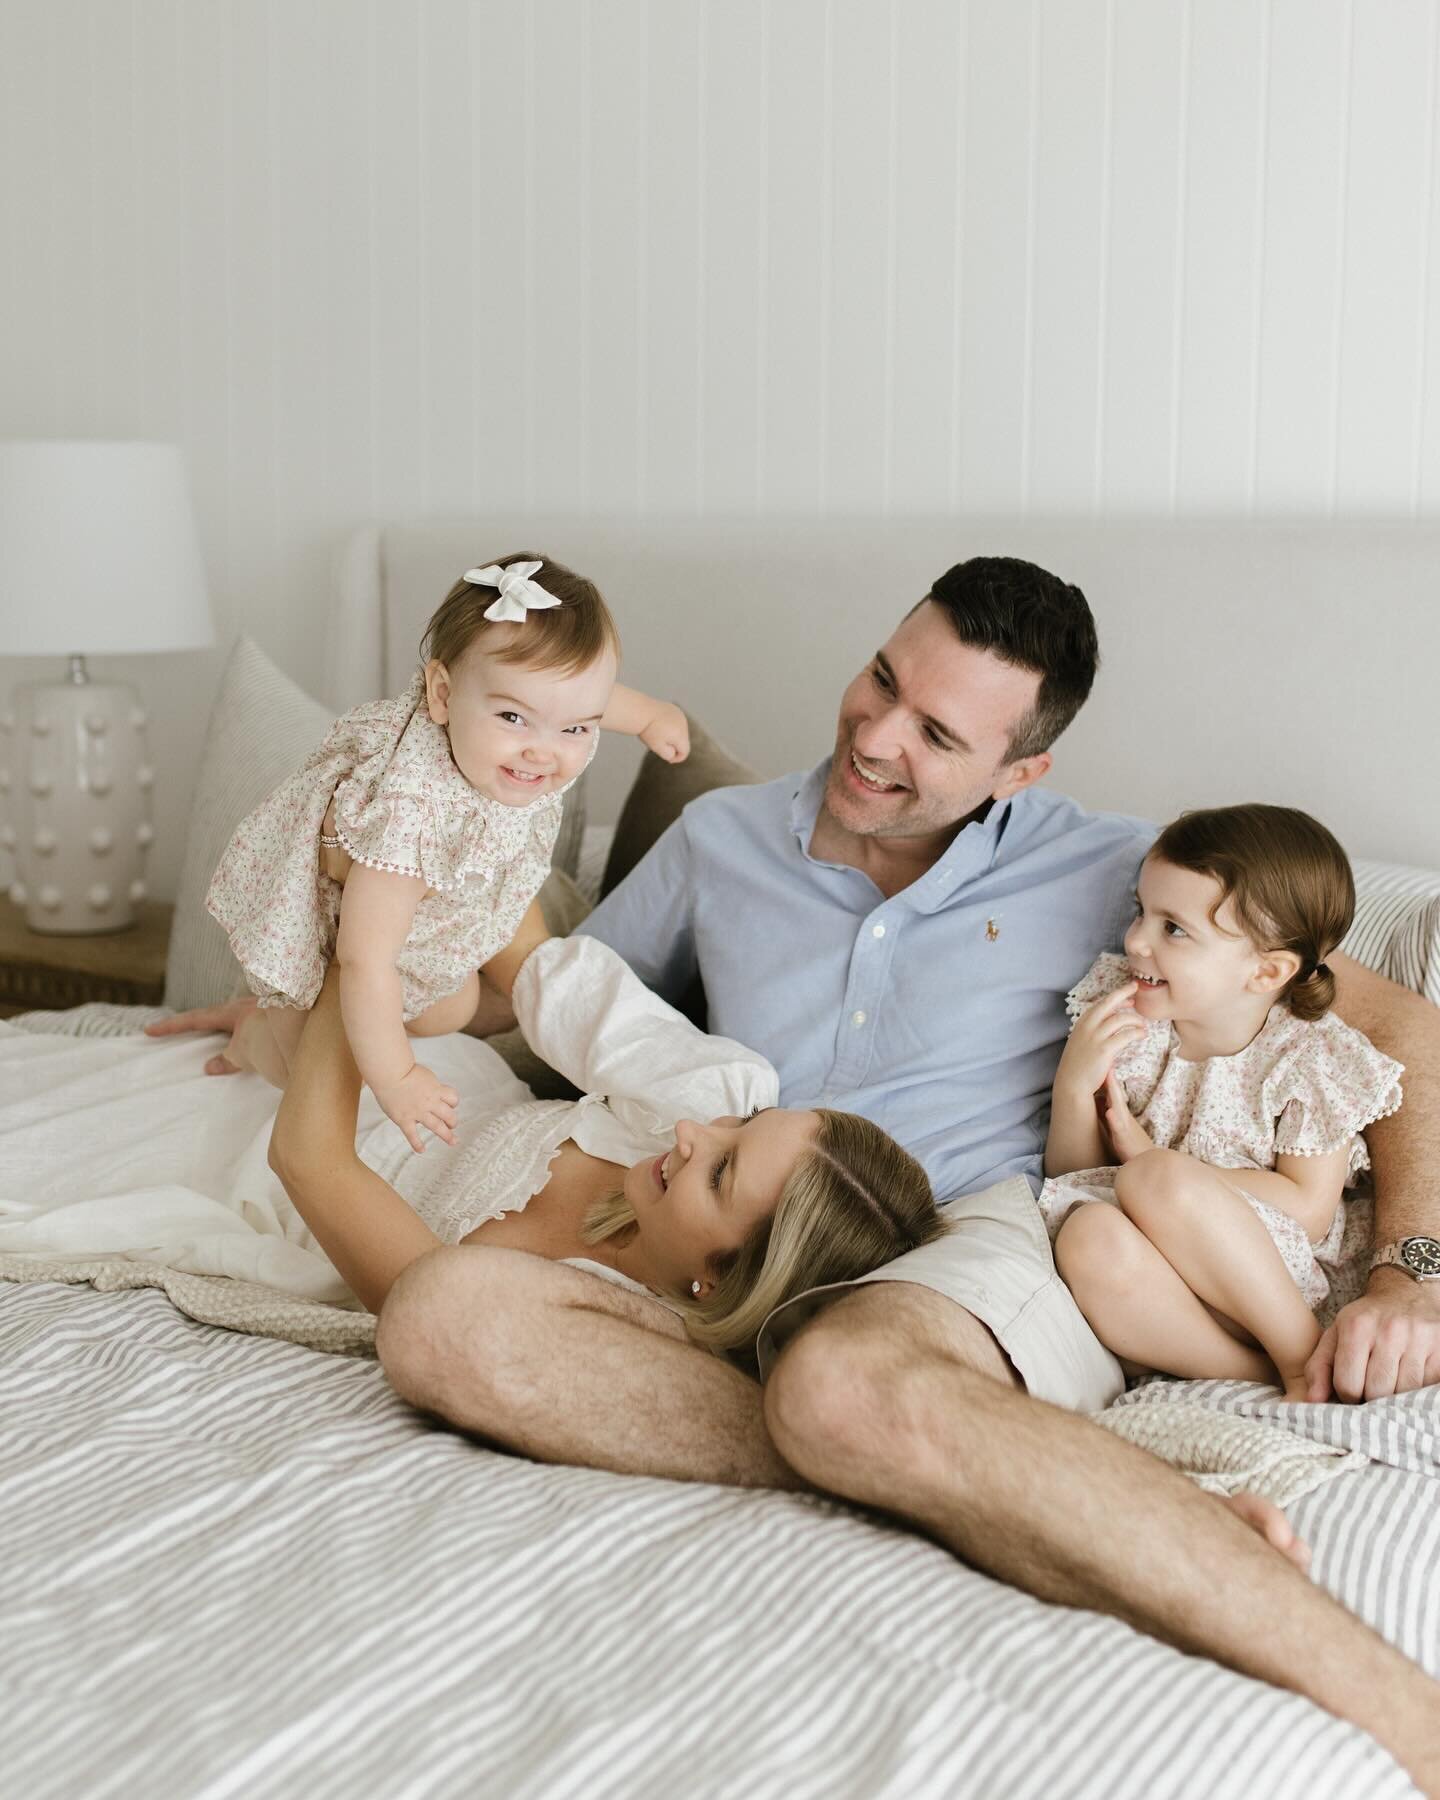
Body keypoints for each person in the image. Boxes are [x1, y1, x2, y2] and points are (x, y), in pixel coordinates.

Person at [372, 557, 1440, 1783]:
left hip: (974, 1239)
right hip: (756, 1232)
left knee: (842, 1381)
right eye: (882, 679)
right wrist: (318, 1006)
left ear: (1020, 772)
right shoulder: (719, 840)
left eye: (937, 734)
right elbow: (551, 1006)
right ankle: (1027, 1479)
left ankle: (1410, 1717)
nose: (875, 738)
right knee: (443, 1318)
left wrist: (1413, 1271)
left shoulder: (1127, 879)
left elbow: (1406, 1036)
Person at [122, 899, 946, 1361]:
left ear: (717, 1286)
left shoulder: (559, 1320)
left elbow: (306, 1159)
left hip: (287, 1169)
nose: (698, 1132)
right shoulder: (706, 1097)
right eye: (745, 1127)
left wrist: (352, 963)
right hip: (396, 1062)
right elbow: (534, 961)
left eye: (721, 1174)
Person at [206, 553, 689, 1154]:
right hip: (335, 918)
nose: (544, 752)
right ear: (441, 694)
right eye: (513, 717)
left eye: (575, 730)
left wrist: (650, 717)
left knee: (449, 1007)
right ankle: (251, 1035)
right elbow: (364, 959)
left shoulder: (530, 736)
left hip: (418, 918)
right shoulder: (409, 817)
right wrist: (398, 1078)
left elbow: (585, 699)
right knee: (306, 1070)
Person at [1042, 805, 1403, 1398]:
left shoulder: (1310, 1059)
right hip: (1164, 1281)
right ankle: (1265, 1375)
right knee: (1084, 1237)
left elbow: (1309, 1210)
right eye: (1141, 911)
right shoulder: (1127, 1020)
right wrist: (1074, 1085)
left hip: (1267, 1285)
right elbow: (1076, 1173)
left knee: (1154, 1178)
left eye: (1173, 929)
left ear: (1266, 972)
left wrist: (1151, 1160)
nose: (1136, 941)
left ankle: (1299, 1352)